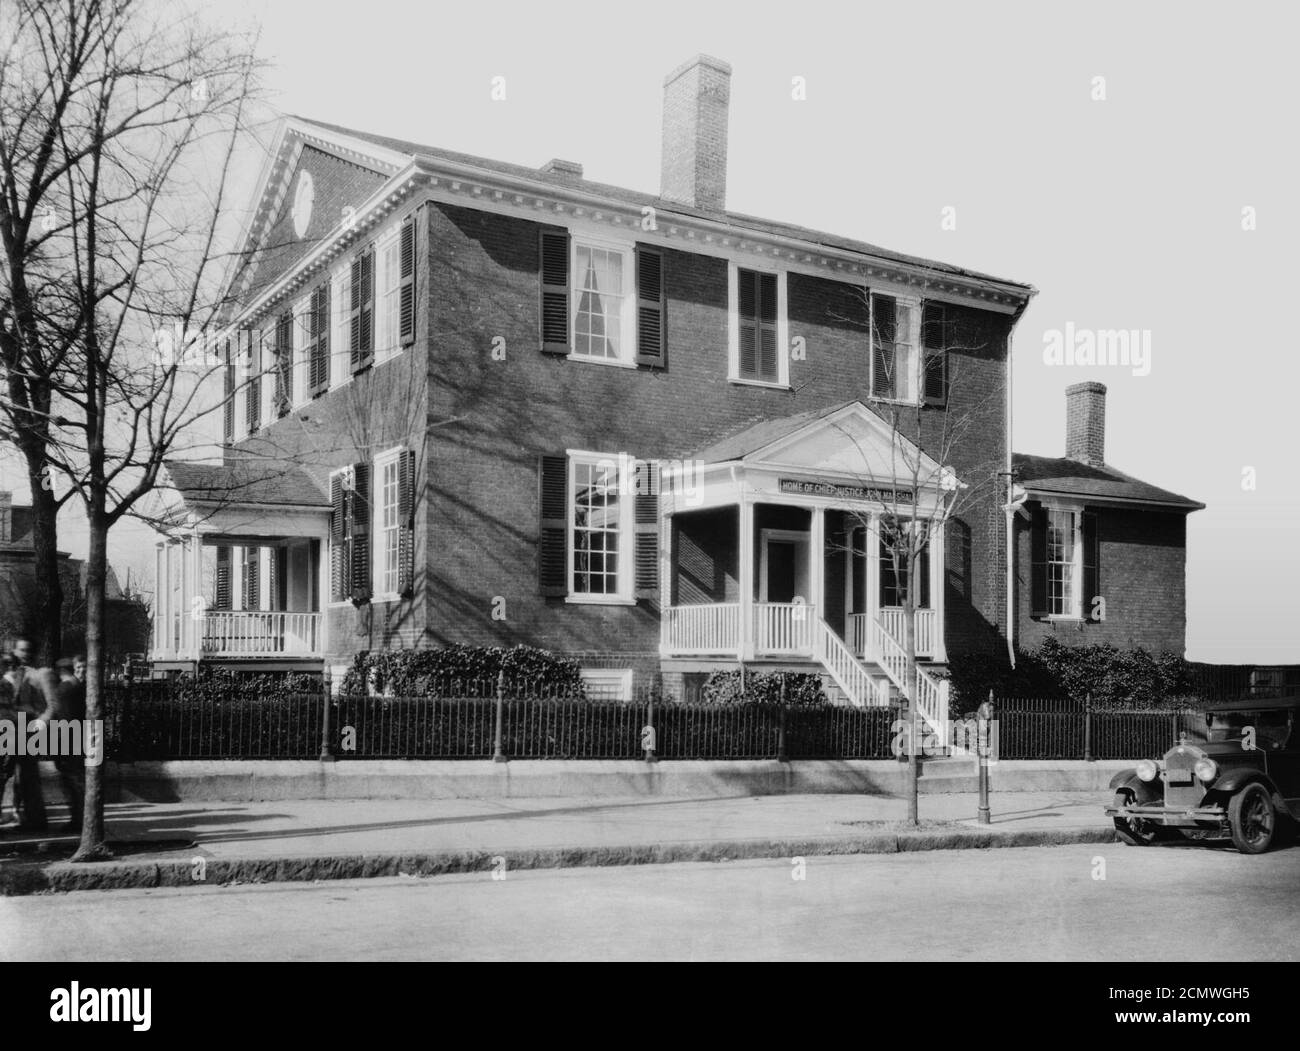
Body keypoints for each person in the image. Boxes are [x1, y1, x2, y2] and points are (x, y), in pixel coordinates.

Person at [5, 637, 48, 831]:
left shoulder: (34, 675)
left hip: (26, 727)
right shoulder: (6, 673)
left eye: (28, 650)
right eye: (21, 650)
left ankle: (35, 820)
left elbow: (42, 705)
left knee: (28, 775)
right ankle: (16, 814)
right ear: (14, 651)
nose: (25, 654)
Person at [50, 657, 86, 831]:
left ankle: (77, 819)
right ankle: (79, 818)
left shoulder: (64, 689)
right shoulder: (79, 687)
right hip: (77, 739)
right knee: (76, 780)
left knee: (72, 781)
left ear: (60, 672)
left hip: (68, 740)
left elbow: (62, 717)